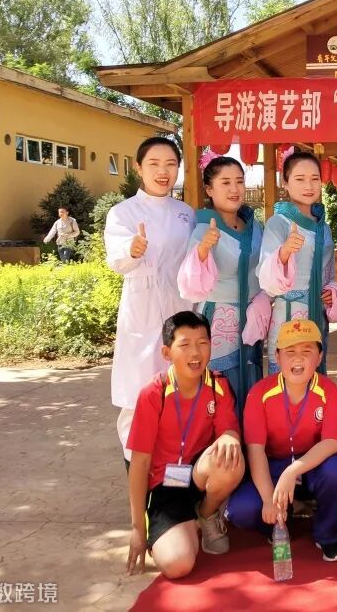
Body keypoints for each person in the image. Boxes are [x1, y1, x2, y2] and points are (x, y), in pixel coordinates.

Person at [125, 311, 244, 579]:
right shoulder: (153, 393)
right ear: (167, 352)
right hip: (166, 484)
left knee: (230, 456)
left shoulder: (218, 385)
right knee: (177, 565)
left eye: (202, 343)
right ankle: (178, 526)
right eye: (185, 344)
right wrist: (137, 529)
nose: (195, 353)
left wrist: (230, 436)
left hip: (198, 476)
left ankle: (207, 514)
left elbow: (228, 430)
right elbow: (139, 463)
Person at [226, 319, 337, 561]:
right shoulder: (260, 393)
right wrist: (268, 500)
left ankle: (327, 534)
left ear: (320, 356)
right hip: (274, 468)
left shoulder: (329, 391)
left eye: (307, 351)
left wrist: (292, 471)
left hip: (311, 466)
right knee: (241, 509)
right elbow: (255, 450)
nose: (298, 359)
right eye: (290, 352)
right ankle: (280, 521)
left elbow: (331, 443)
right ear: (277, 356)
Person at [106, 137, 195, 460]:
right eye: (154, 164)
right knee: (139, 393)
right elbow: (116, 258)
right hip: (142, 310)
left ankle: (174, 468)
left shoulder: (185, 213)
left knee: (180, 389)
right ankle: (137, 469)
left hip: (180, 307)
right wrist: (132, 249)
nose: (163, 171)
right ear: (138, 168)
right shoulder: (123, 213)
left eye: (170, 164)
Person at [177, 153, 270, 413]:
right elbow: (191, 279)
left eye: (239, 181)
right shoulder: (204, 228)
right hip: (220, 319)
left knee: (251, 383)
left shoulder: (254, 226)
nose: (234, 189)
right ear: (209, 189)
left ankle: (248, 435)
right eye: (225, 182)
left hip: (251, 318)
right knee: (222, 389)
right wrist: (203, 249)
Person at [257, 147, 337, 376]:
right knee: (288, 377)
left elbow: (329, 273)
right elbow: (266, 279)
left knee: (315, 376)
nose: (309, 185)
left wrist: (331, 290)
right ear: (285, 182)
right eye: (300, 179)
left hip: (318, 314)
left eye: (314, 179)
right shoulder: (278, 223)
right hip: (289, 314)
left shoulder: (323, 226)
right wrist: (284, 252)